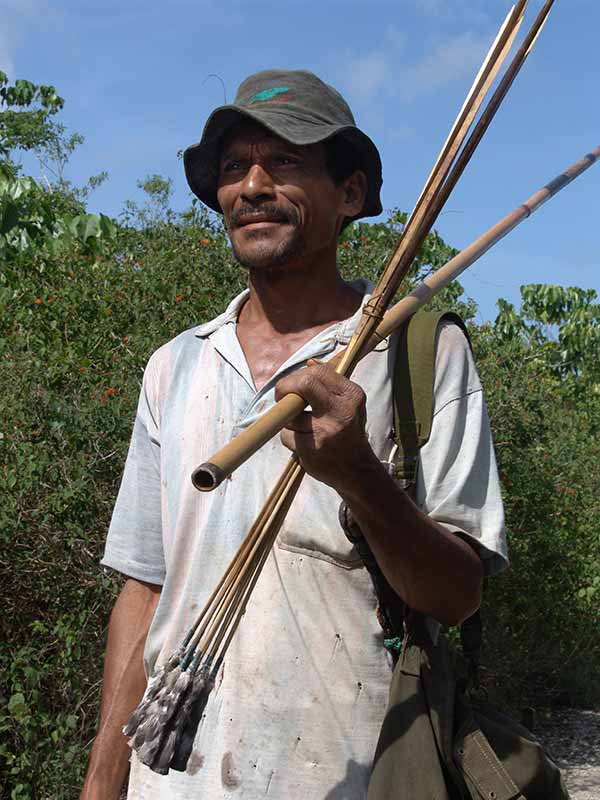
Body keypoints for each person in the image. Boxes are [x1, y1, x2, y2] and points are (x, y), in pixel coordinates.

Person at [81, 69, 507, 799]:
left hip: (346, 772)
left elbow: (456, 595)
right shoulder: (176, 365)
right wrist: (101, 784)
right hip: (173, 779)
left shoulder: (417, 352)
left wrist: (356, 472)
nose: (250, 186)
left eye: (285, 162)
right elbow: (144, 590)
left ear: (349, 194)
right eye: (232, 168)